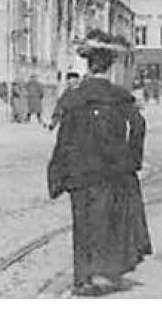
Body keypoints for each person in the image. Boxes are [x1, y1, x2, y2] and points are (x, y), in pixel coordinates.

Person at [47, 31, 151, 296]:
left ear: (88, 65)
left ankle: (82, 278)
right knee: (109, 221)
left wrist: (58, 172)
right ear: (110, 66)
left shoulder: (73, 97)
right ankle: (107, 270)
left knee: (82, 225)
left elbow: (64, 139)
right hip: (111, 172)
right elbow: (138, 127)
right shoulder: (120, 97)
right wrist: (132, 161)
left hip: (80, 173)